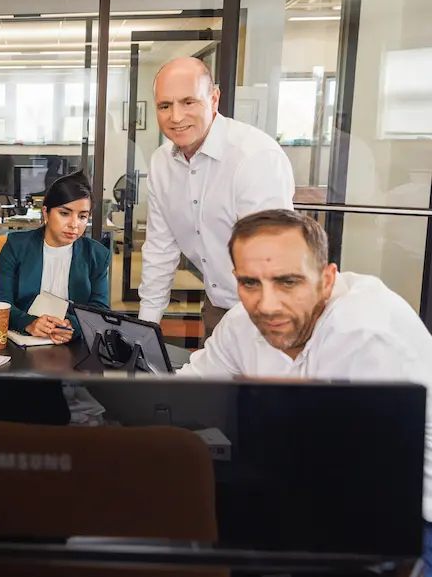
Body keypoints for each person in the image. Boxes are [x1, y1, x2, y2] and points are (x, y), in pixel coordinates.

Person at [177, 209, 432, 566]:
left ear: (327, 280)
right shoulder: (241, 322)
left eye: (288, 282)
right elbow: (183, 398)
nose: (266, 305)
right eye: (250, 283)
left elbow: (363, 487)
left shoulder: (366, 335)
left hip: (412, 518)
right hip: (306, 491)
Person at [138, 56, 295, 343]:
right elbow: (161, 250)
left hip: (270, 312)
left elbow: (271, 260)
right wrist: (144, 331)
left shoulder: (254, 158)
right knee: (214, 387)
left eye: (188, 102)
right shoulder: (162, 163)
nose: (175, 117)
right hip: (217, 307)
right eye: (165, 106)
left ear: (214, 99)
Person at [0, 172, 111, 344]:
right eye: (64, 213)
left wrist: (73, 326)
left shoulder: (97, 255)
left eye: (82, 216)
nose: (74, 224)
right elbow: (0, 303)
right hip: (22, 342)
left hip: (74, 345)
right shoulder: (16, 246)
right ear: (46, 213)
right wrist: (28, 323)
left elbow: (100, 310)